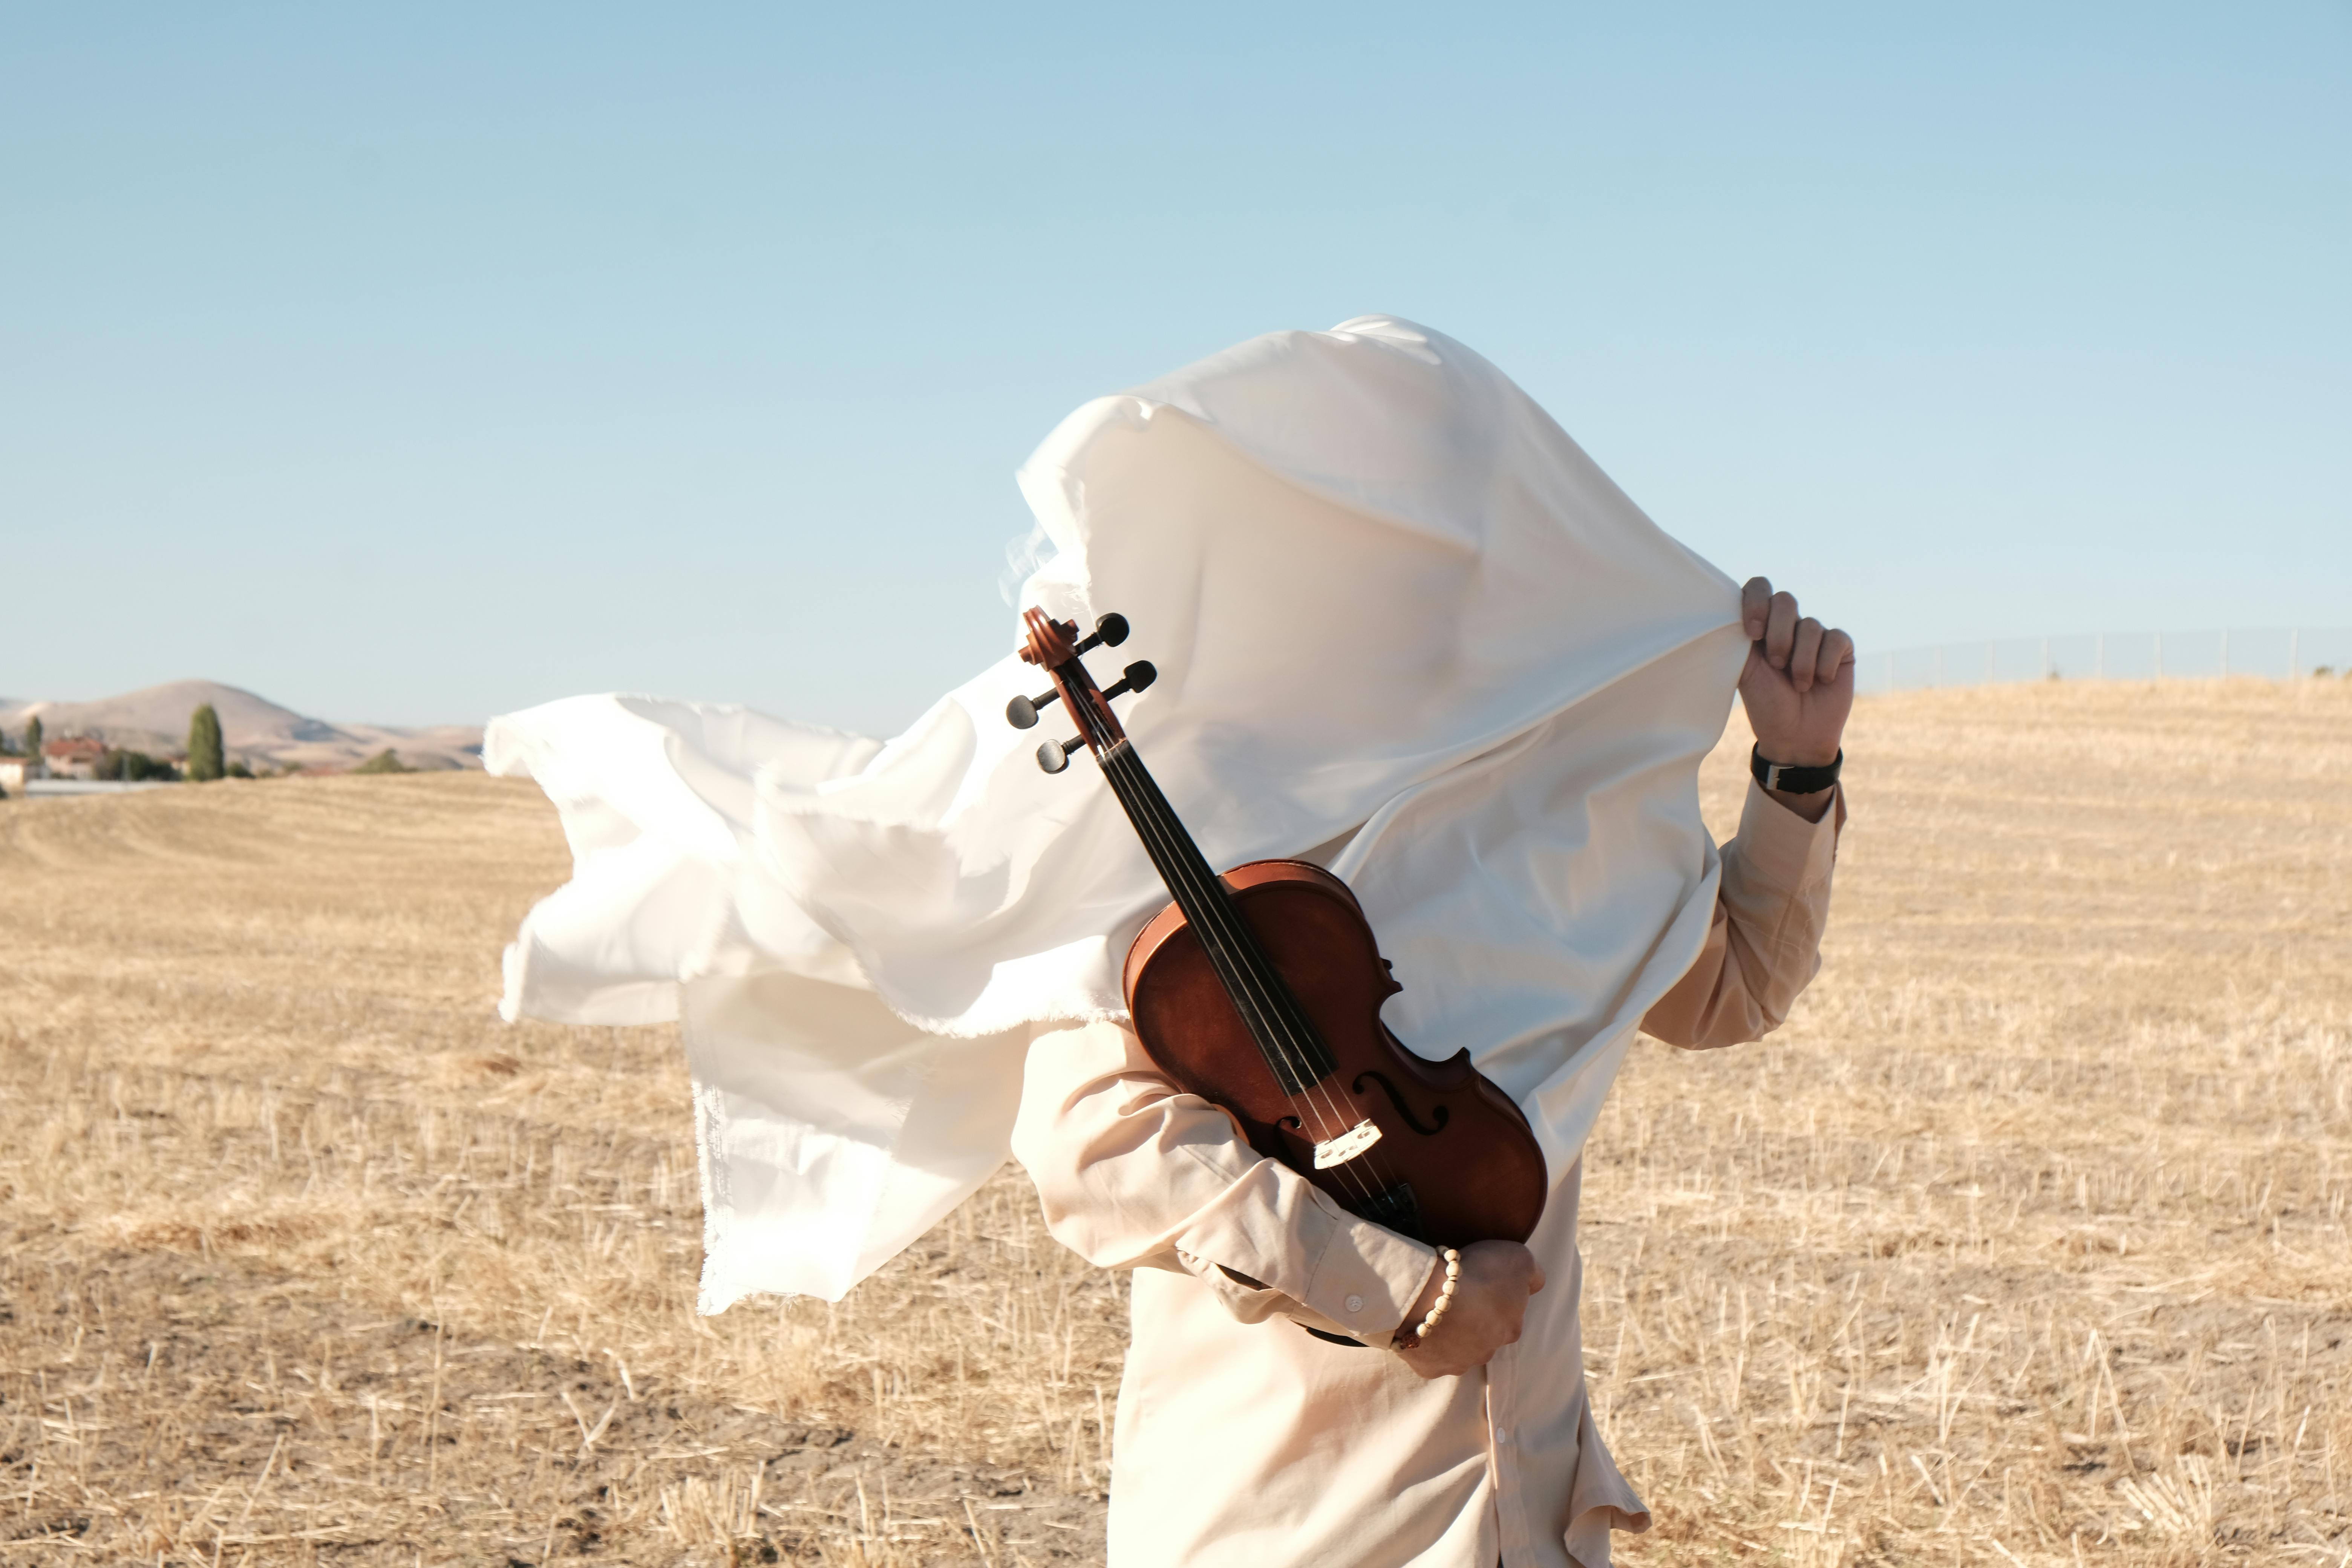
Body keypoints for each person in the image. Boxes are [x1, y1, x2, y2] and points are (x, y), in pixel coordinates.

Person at [1009, 576, 1851, 1568]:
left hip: (1531, 1523)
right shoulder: (1206, 813)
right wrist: (1398, 1291)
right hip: (1293, 1525)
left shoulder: (1564, 825)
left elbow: (1731, 993)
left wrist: (1797, 770)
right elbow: (1093, 1143)